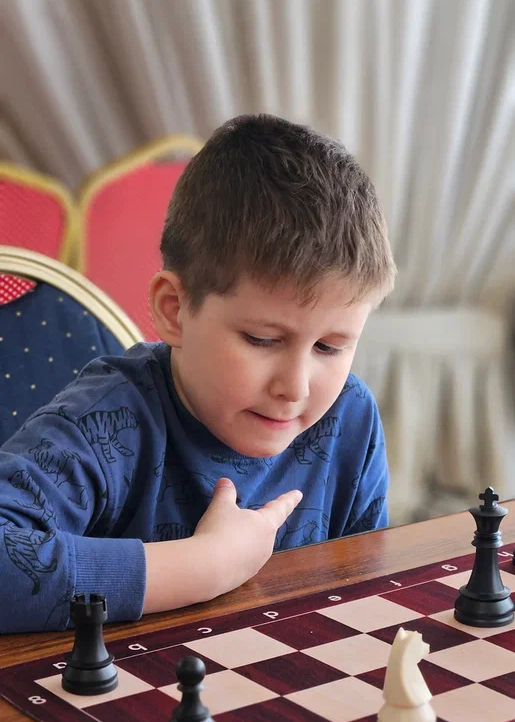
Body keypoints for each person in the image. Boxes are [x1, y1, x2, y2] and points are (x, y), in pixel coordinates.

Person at [0, 114, 396, 634]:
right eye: (262, 339)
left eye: (330, 347)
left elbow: (364, 591)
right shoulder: (105, 422)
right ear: (174, 310)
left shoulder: (351, 416)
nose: (295, 387)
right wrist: (203, 566)